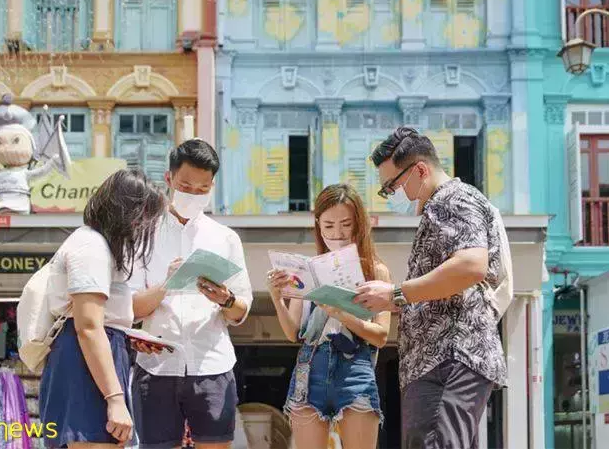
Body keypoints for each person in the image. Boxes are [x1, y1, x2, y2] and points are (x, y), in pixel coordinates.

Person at [353, 127, 507, 449]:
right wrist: (394, 299)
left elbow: (471, 264)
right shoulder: (442, 205)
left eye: (392, 186)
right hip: (440, 359)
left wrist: (396, 293)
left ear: (420, 169)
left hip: (447, 356)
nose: (394, 195)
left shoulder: (452, 199)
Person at [129, 139, 253, 449]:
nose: (193, 195)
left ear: (212, 186)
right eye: (186, 186)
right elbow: (130, 308)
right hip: (156, 367)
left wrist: (225, 299)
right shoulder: (141, 234)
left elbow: (242, 310)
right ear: (169, 179)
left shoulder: (225, 238)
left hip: (211, 363)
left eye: (202, 190)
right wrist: (165, 286)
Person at [39, 168, 167, 448]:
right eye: (146, 217)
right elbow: (88, 326)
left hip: (90, 360)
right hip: (85, 364)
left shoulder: (96, 246)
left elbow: (99, 320)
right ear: (128, 213)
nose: (146, 226)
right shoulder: (92, 247)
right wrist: (115, 398)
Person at [268, 184, 391, 449]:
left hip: (354, 367)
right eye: (329, 226)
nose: (338, 234)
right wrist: (277, 298)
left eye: (346, 224)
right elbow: (292, 334)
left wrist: (341, 313)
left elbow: (381, 337)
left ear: (359, 224)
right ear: (318, 226)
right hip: (310, 366)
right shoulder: (306, 269)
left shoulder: (375, 271)